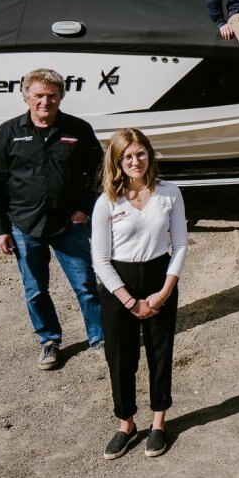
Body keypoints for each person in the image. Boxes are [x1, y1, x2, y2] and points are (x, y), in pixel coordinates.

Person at [0, 68, 104, 370]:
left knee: (87, 285)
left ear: (61, 96)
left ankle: (100, 338)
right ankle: (49, 341)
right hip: (25, 225)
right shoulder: (9, 132)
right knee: (35, 289)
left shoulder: (78, 129)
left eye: (51, 95)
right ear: (27, 97)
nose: (45, 102)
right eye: (38, 95)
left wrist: (86, 208)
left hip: (69, 225)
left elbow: (101, 173)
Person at [91, 129, 187, 460]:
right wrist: (129, 301)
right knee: (121, 358)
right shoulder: (106, 202)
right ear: (117, 161)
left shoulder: (169, 193)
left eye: (141, 153)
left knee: (160, 354)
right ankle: (126, 423)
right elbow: (100, 260)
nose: (136, 161)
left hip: (160, 279)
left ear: (150, 155)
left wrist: (164, 291)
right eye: (127, 156)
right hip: (120, 285)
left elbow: (180, 245)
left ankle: (159, 421)